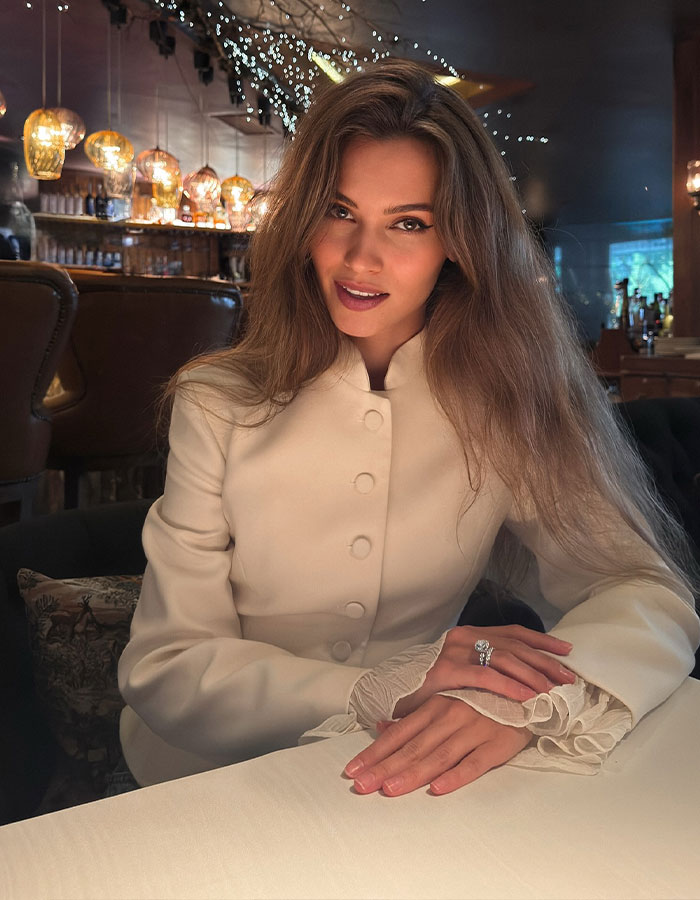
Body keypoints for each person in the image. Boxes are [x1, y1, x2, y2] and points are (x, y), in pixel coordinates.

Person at [117, 61, 699, 796]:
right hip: (200, 779)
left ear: (458, 241)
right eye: (339, 211)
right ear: (302, 223)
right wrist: (389, 684)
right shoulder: (215, 401)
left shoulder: (505, 401)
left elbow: (642, 590)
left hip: (412, 774)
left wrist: (521, 702)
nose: (362, 257)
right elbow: (166, 667)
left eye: (410, 223)